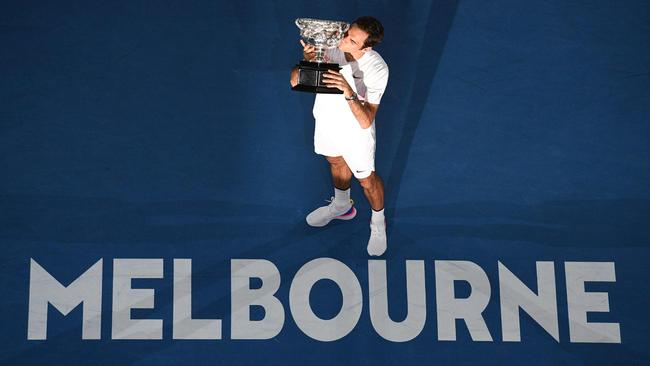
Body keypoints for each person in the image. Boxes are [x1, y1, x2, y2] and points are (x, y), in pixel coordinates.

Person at [290, 16, 389, 256]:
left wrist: (347, 89)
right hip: (326, 121)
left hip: (357, 132)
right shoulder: (329, 47)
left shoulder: (377, 69)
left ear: (366, 47)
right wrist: (308, 61)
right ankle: (342, 206)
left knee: (366, 180)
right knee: (335, 162)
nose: (343, 40)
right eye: (346, 34)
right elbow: (294, 82)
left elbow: (366, 120)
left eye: (351, 40)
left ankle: (378, 222)